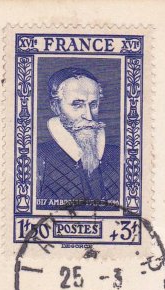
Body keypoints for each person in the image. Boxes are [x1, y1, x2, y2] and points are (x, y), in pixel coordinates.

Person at [37, 66, 120, 206]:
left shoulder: (119, 155)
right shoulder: (37, 157)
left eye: (93, 104)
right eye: (77, 105)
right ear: (55, 107)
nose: (88, 116)